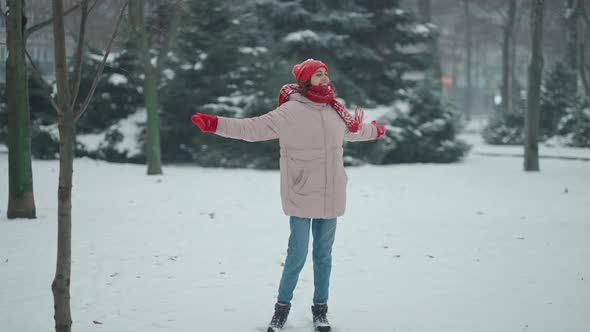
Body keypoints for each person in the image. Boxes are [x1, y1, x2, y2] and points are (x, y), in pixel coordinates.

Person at [191, 59, 386, 332]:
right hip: (302, 192)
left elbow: (354, 132)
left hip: (332, 194)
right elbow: (251, 128)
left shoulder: (335, 110)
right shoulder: (289, 112)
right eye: (318, 74)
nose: (324, 77)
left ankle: (321, 311)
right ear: (306, 80)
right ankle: (280, 312)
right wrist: (214, 123)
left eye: (325, 73)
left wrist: (375, 130)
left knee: (323, 256)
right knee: (297, 255)